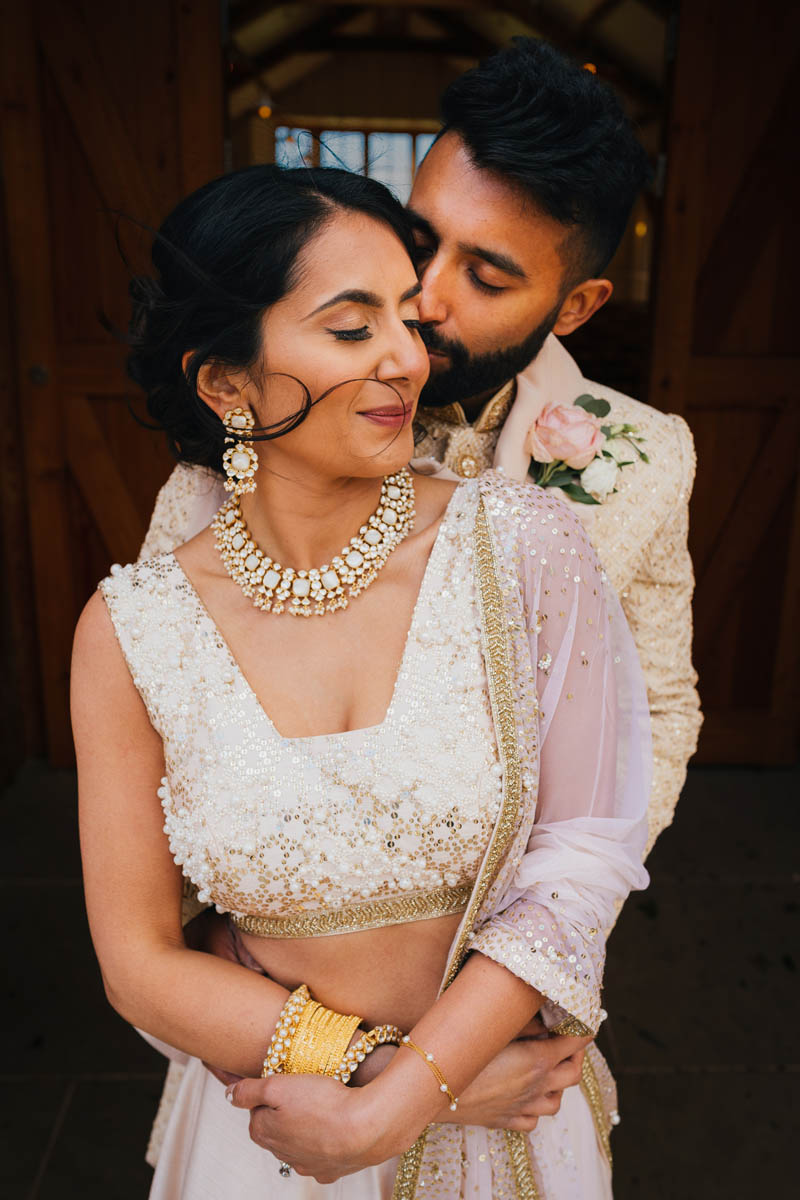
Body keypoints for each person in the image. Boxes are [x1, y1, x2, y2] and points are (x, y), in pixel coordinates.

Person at [72, 162, 651, 1199]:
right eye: (350, 329)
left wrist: (395, 1108)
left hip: (510, 1131)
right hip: (279, 1131)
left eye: (404, 317)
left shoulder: (520, 547)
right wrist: (388, 1079)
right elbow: (139, 959)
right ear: (227, 384)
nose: (405, 358)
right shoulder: (131, 631)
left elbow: (581, 855)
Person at [144, 39, 702, 862]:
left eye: (486, 277)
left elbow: (657, 707)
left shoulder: (646, 461)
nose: (424, 299)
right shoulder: (274, 418)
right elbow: (159, 710)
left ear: (576, 307)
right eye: (417, 238)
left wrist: (549, 919)